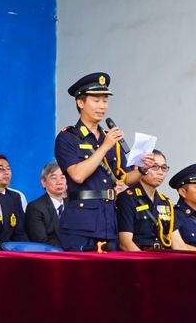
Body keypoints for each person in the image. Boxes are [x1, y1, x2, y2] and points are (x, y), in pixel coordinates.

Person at [53, 72, 138, 252]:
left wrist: (143, 169)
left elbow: (126, 178)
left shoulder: (108, 137)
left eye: (105, 101)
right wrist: (104, 147)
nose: (102, 106)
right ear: (80, 103)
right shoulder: (68, 137)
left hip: (109, 220)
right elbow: (77, 175)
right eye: (96, 100)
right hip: (81, 223)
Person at [116, 151, 180, 252]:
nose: (160, 172)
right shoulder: (127, 198)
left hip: (163, 256)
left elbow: (178, 244)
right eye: (154, 167)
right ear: (139, 168)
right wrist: (145, 261)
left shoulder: (165, 202)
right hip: (139, 257)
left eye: (164, 168)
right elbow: (125, 243)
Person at [24, 162, 66, 247]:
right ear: (43, 182)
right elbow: (41, 241)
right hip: (51, 253)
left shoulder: (73, 204)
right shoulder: (35, 208)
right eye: (54, 178)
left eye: (62, 177)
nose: (59, 182)